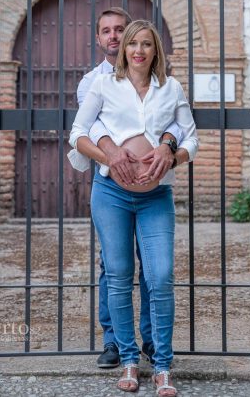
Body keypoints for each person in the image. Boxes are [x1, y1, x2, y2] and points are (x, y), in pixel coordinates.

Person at [70, 20, 198, 396]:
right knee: (119, 274)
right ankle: (128, 359)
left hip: (156, 197)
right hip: (111, 194)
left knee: (161, 276)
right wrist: (108, 155)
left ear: (156, 50)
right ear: (123, 50)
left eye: (146, 44)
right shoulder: (103, 85)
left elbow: (192, 137)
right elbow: (78, 133)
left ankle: (162, 366)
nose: (138, 50)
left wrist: (172, 155)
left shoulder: (171, 88)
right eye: (132, 44)